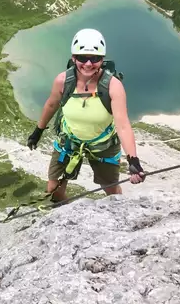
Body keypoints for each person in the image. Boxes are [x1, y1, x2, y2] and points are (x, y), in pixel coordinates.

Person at [25, 28, 145, 201]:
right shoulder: (63, 81)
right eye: (82, 58)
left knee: (110, 189)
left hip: (104, 145)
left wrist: (133, 160)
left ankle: (117, 211)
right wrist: (38, 131)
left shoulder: (113, 86)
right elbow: (51, 104)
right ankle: (63, 215)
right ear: (73, 58)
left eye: (95, 58)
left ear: (102, 59)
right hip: (69, 142)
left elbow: (123, 125)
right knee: (53, 189)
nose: (88, 64)